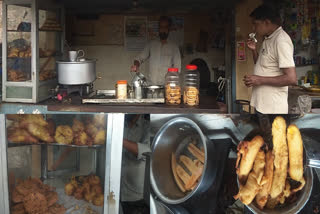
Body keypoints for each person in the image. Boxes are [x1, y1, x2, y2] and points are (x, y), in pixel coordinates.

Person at [244, 4, 297, 114]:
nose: (253, 28)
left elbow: (291, 79)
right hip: (262, 105)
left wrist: (259, 80)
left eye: (255, 24)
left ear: (267, 22)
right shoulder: (268, 39)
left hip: (272, 108)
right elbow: (262, 65)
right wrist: (254, 50)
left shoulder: (281, 41)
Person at [131, 16, 181, 85]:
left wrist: (171, 85)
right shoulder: (151, 44)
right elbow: (139, 58)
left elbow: (177, 69)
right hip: (151, 86)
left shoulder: (174, 47)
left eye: (165, 27)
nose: (163, 30)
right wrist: (136, 65)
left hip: (166, 87)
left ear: (169, 29)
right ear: (158, 28)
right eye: (161, 27)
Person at [120, 114, 151, 214]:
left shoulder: (148, 127)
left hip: (137, 199)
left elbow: (147, 151)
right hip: (115, 192)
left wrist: (117, 139)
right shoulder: (118, 122)